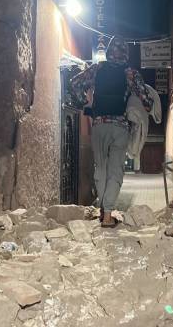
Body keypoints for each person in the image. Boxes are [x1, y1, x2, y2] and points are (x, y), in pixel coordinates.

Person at [70, 37, 152, 227]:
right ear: (125, 54)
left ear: (108, 52)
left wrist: (83, 103)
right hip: (120, 127)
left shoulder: (97, 69)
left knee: (101, 168)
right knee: (115, 170)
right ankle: (107, 216)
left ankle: (101, 211)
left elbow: (75, 83)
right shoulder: (130, 73)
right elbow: (146, 101)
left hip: (98, 126)